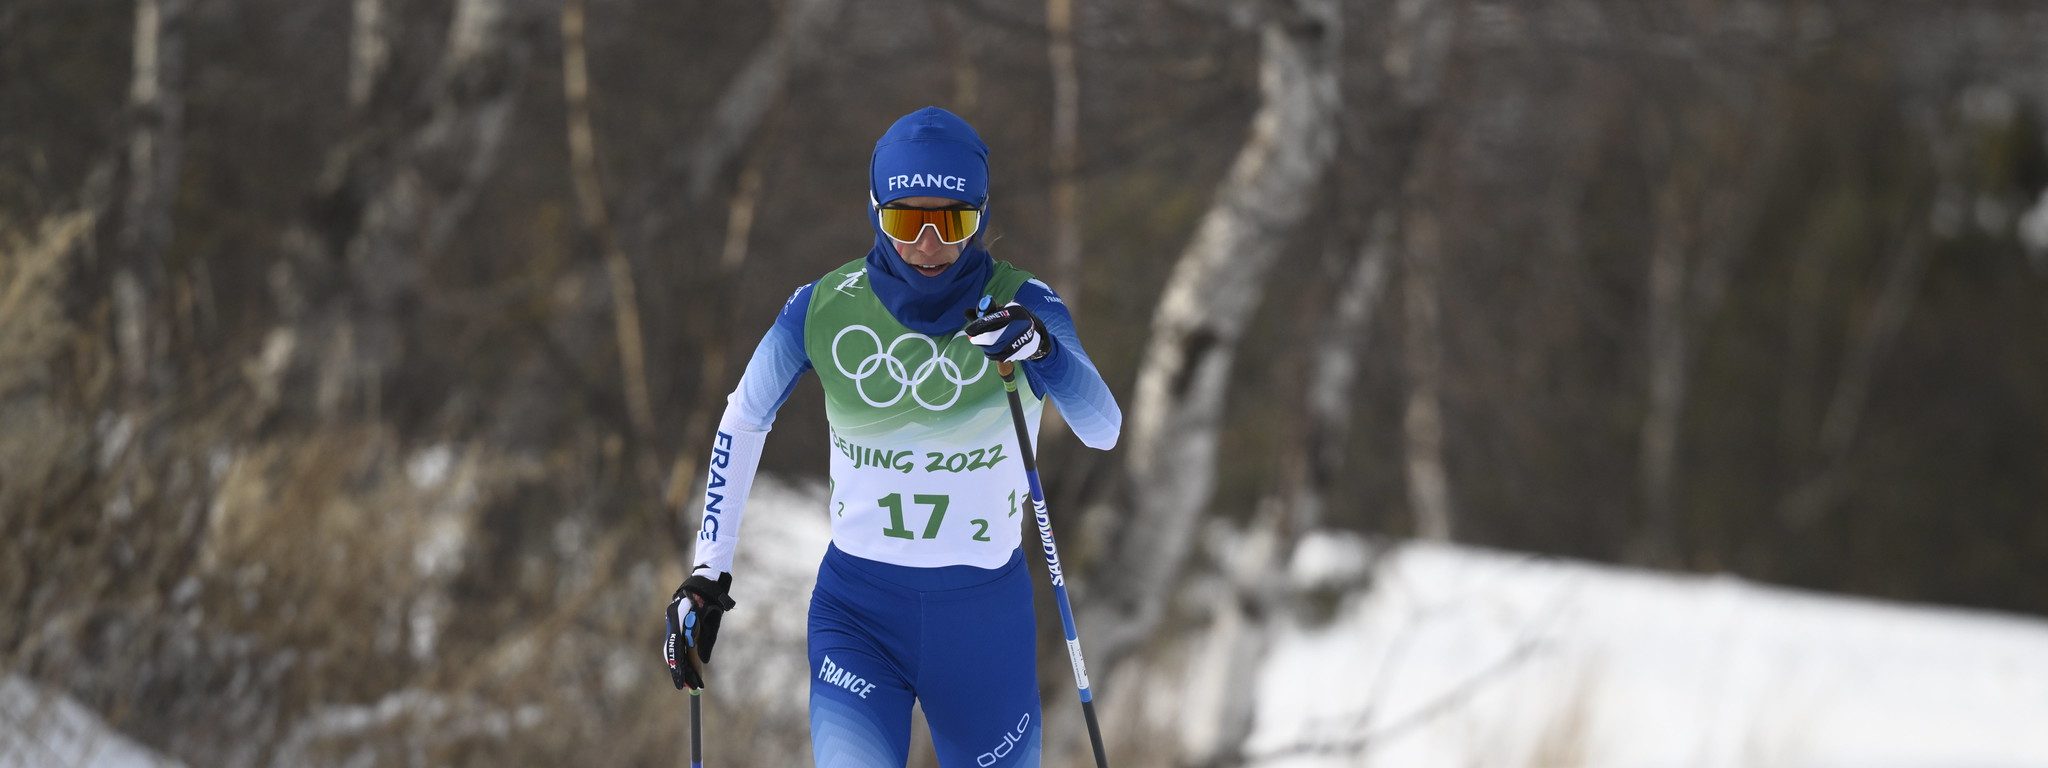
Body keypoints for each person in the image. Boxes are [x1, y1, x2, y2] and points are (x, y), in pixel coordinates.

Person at [663, 106, 1121, 767]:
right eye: (906, 221)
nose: (929, 243)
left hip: (982, 624)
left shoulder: (1026, 302)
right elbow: (744, 418)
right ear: (874, 209)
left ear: (981, 217)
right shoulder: (822, 306)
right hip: (860, 615)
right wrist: (708, 572)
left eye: (952, 221)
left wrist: (1044, 350)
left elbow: (1103, 429)